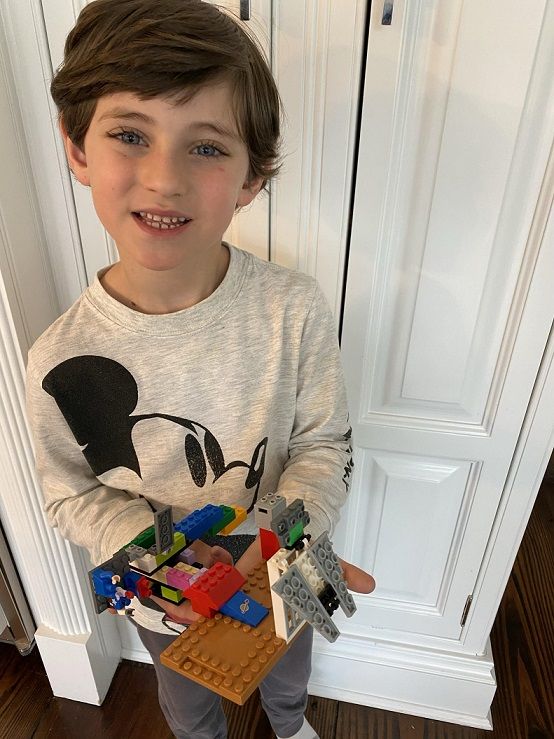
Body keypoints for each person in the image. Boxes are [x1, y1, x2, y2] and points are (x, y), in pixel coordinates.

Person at [25, 1, 375, 738]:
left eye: (207, 146)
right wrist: (167, 557)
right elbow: (71, 495)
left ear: (253, 176)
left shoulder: (294, 307)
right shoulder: (59, 360)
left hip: (290, 556)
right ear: (77, 148)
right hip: (163, 589)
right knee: (187, 699)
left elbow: (324, 445)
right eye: (130, 134)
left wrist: (281, 543)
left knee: (291, 664)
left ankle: (290, 724)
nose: (165, 179)